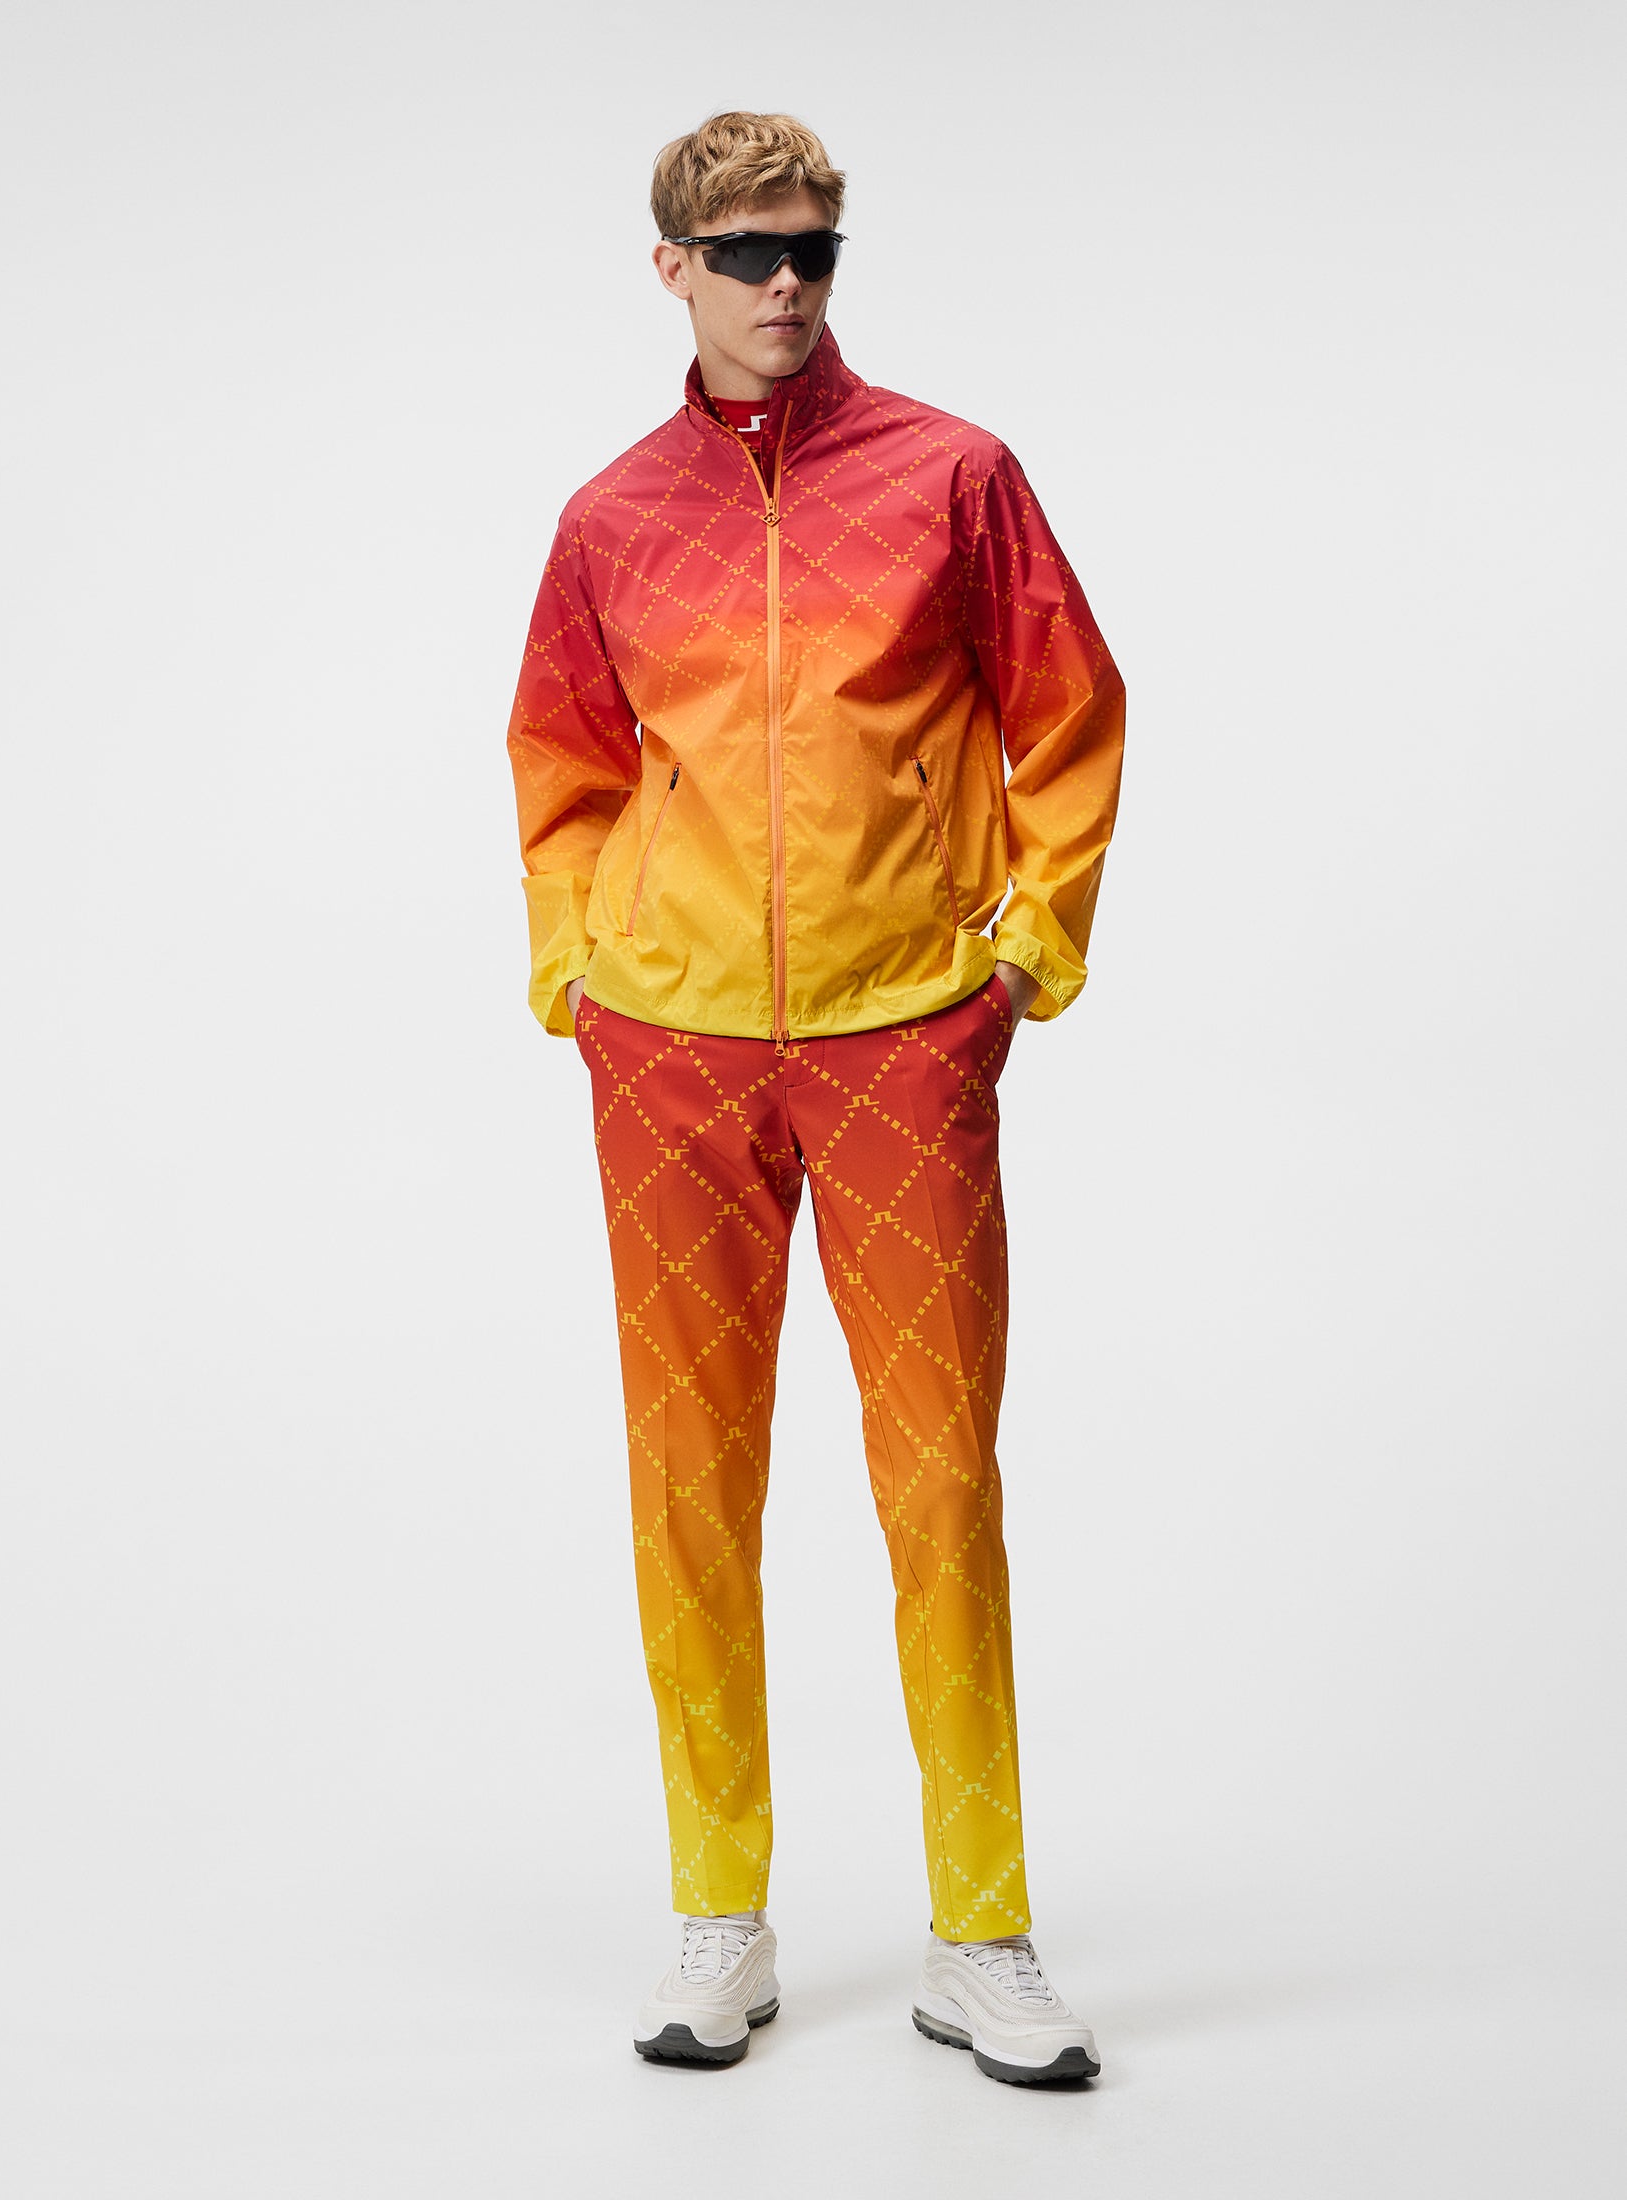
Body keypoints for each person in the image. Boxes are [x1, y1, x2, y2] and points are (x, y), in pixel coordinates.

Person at [504, 110, 1125, 2086]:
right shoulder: (612, 517)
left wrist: (1020, 955)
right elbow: (562, 763)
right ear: (671, 269)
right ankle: (720, 1912)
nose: (786, 286)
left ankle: (980, 1929)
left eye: (814, 252)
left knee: (939, 1480)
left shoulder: (953, 474)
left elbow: (1069, 713)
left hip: (900, 1037)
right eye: (748, 254)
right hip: (669, 1052)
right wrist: (575, 971)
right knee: (690, 1479)